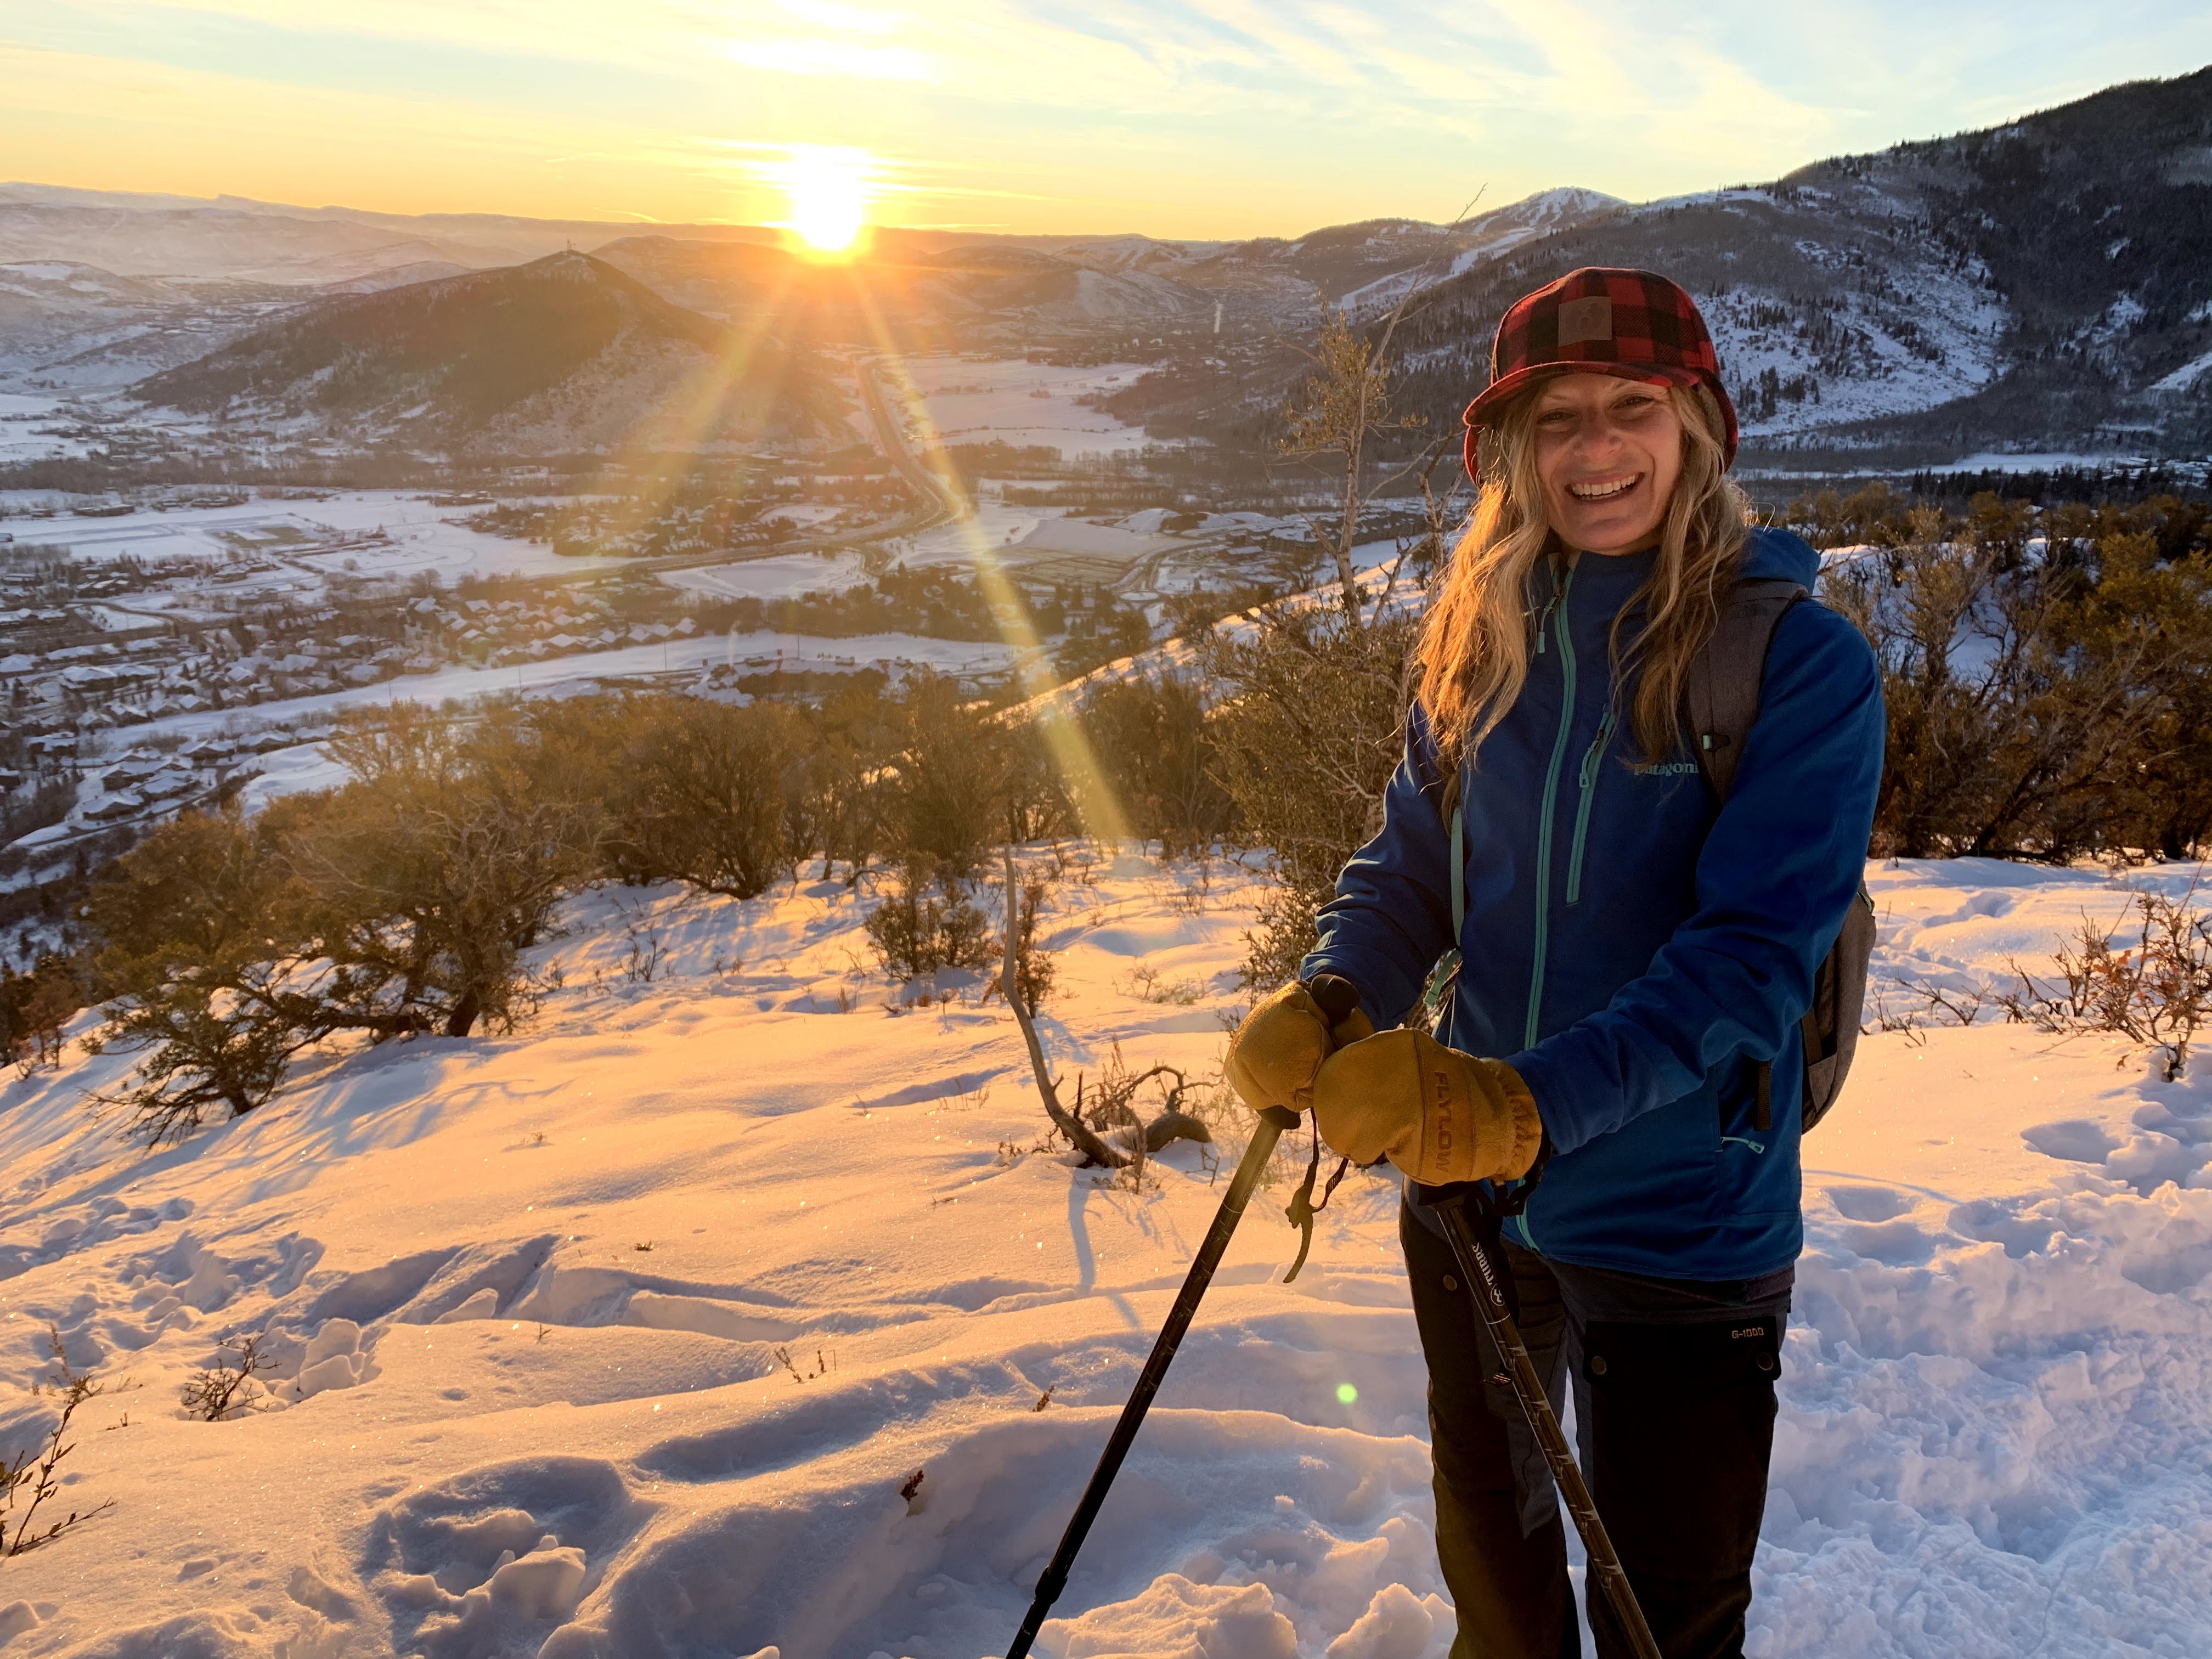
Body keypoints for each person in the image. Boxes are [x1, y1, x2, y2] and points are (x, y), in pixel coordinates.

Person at [1223, 268, 1884, 1658]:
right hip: (1469, 1207)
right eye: (1558, 418)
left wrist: (1521, 1107)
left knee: (1667, 1618)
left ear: (1696, 425)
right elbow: (1411, 873)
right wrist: (1338, 991)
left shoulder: (1797, 666)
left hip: (1682, 1218)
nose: (1596, 450)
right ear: (1510, 452)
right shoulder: (1481, 642)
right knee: (1501, 1588)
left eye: (1632, 408)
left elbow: (1751, 961)